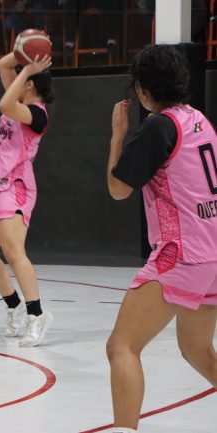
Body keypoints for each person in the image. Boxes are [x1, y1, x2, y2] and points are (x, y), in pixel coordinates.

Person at [105, 45, 217, 433]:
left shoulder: (159, 127)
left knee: (121, 347)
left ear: (142, 88)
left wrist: (117, 137)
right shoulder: (198, 119)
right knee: (197, 351)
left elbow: (118, 189)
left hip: (181, 253)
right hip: (212, 254)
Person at [0, 52, 54, 347]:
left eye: (24, 77)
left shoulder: (37, 114)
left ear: (30, 84)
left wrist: (27, 70)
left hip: (16, 187)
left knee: (13, 250)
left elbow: (4, 105)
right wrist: (22, 51)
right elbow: (2, 64)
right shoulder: (19, 100)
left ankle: (37, 315)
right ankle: (14, 305)